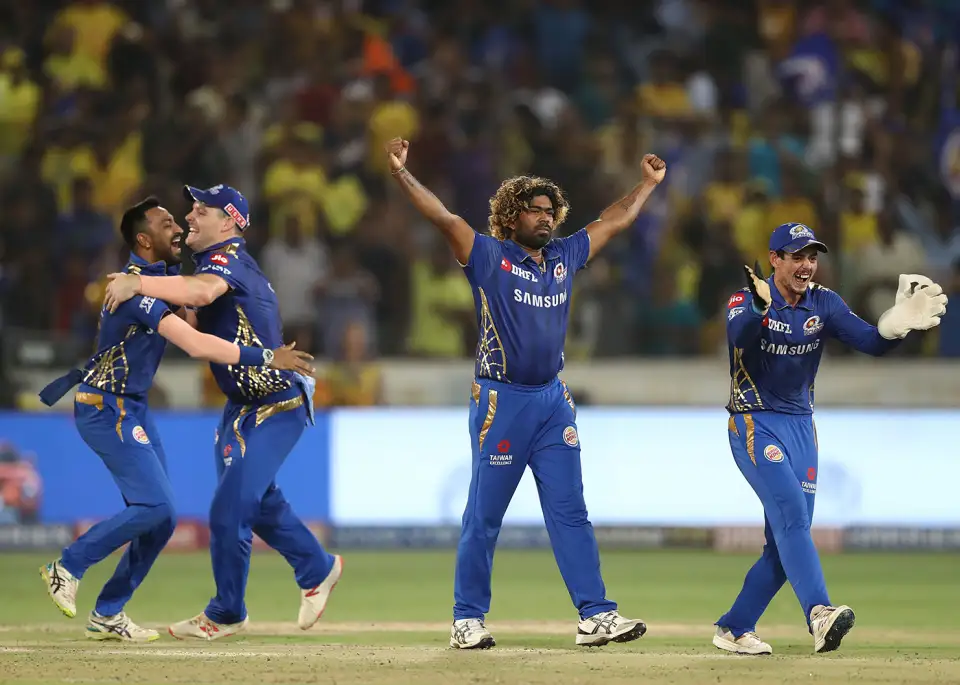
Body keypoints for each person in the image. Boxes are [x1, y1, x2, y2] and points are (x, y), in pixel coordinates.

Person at [385, 136, 666, 649]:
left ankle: (595, 614)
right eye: (534, 210)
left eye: (550, 211)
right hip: (502, 402)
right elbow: (444, 218)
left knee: (571, 511)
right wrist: (403, 173)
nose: (545, 218)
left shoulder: (564, 256)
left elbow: (612, 221)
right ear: (511, 217)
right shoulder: (488, 256)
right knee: (484, 516)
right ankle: (467, 619)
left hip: (552, 402)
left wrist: (646, 186)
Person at [37, 197, 314, 642]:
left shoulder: (156, 280)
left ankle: (108, 612)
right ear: (144, 239)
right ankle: (67, 566)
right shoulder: (137, 289)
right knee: (156, 508)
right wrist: (267, 356)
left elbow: (200, 308)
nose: (180, 228)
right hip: (105, 407)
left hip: (132, 406)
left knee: (162, 518)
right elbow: (196, 344)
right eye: (167, 224)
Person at [102, 185, 342, 641]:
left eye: (201, 210)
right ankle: (317, 568)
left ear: (228, 222)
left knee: (229, 508)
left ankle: (227, 611)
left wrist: (139, 283)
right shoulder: (214, 264)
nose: (189, 217)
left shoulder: (227, 261)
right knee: (260, 504)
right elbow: (198, 324)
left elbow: (202, 292)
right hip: (240, 410)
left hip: (277, 405)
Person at [717, 222, 947, 656]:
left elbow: (870, 343)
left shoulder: (824, 302)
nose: (807, 265)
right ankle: (819, 613)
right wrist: (760, 308)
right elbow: (739, 336)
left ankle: (734, 627)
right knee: (792, 517)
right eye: (797, 257)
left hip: (802, 427)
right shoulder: (745, 299)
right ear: (775, 260)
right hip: (754, 423)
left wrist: (896, 328)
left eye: (812, 257)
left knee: (786, 542)